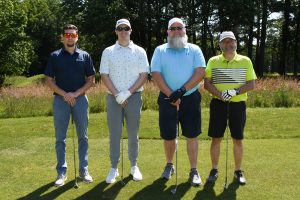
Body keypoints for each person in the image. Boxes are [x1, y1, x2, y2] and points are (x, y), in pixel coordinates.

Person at [151, 18, 206, 186]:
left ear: (185, 30)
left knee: (192, 135)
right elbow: (156, 74)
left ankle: (194, 170)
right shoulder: (160, 50)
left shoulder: (194, 49)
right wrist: (171, 95)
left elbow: (200, 72)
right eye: (172, 28)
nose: (176, 31)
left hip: (190, 98)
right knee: (168, 136)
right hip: (167, 99)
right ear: (168, 32)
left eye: (179, 28)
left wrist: (181, 91)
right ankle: (169, 165)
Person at [44, 24, 95, 187]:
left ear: (77, 37)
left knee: (83, 137)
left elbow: (91, 80)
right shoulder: (55, 56)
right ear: (62, 37)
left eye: (73, 35)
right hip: (60, 101)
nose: (70, 37)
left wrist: (75, 94)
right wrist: (65, 94)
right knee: (60, 138)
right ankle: (61, 172)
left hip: (80, 100)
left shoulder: (85, 55)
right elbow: (49, 81)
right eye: (67, 35)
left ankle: (84, 170)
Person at [99, 19, 149, 184]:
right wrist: (117, 94)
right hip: (113, 98)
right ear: (115, 31)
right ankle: (114, 167)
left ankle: (134, 165)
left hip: (133, 97)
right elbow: (104, 75)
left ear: (130, 30)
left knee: (133, 133)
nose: (123, 31)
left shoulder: (140, 51)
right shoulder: (108, 51)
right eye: (120, 29)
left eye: (126, 28)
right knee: (115, 134)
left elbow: (144, 75)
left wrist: (127, 93)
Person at [204, 31, 257, 185]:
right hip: (218, 104)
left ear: (236, 43)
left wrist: (235, 91)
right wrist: (221, 95)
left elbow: (251, 84)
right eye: (224, 42)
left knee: (237, 139)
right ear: (220, 45)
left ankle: (238, 171)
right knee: (216, 138)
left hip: (238, 105)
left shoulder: (245, 61)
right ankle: (214, 170)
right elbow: (207, 84)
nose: (228, 44)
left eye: (231, 41)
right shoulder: (213, 61)